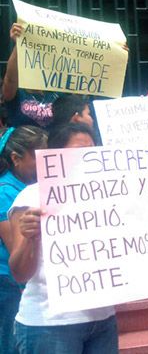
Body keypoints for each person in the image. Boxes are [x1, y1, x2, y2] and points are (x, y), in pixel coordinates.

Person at [8, 123, 118, 354]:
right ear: (55, 155)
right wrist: (29, 238)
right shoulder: (31, 197)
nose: (87, 157)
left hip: (103, 319)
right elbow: (19, 273)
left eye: (92, 150)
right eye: (79, 150)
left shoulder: (109, 196)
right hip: (50, 324)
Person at [0, 125, 47, 354]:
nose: (44, 161)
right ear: (16, 158)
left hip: (25, 281)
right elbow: (14, 248)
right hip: (11, 285)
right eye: (38, 156)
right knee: (11, 342)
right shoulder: (4, 193)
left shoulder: (33, 187)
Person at [2, 23, 64, 128]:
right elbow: (10, 79)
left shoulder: (58, 90)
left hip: (53, 143)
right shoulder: (17, 91)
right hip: (23, 143)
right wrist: (20, 44)